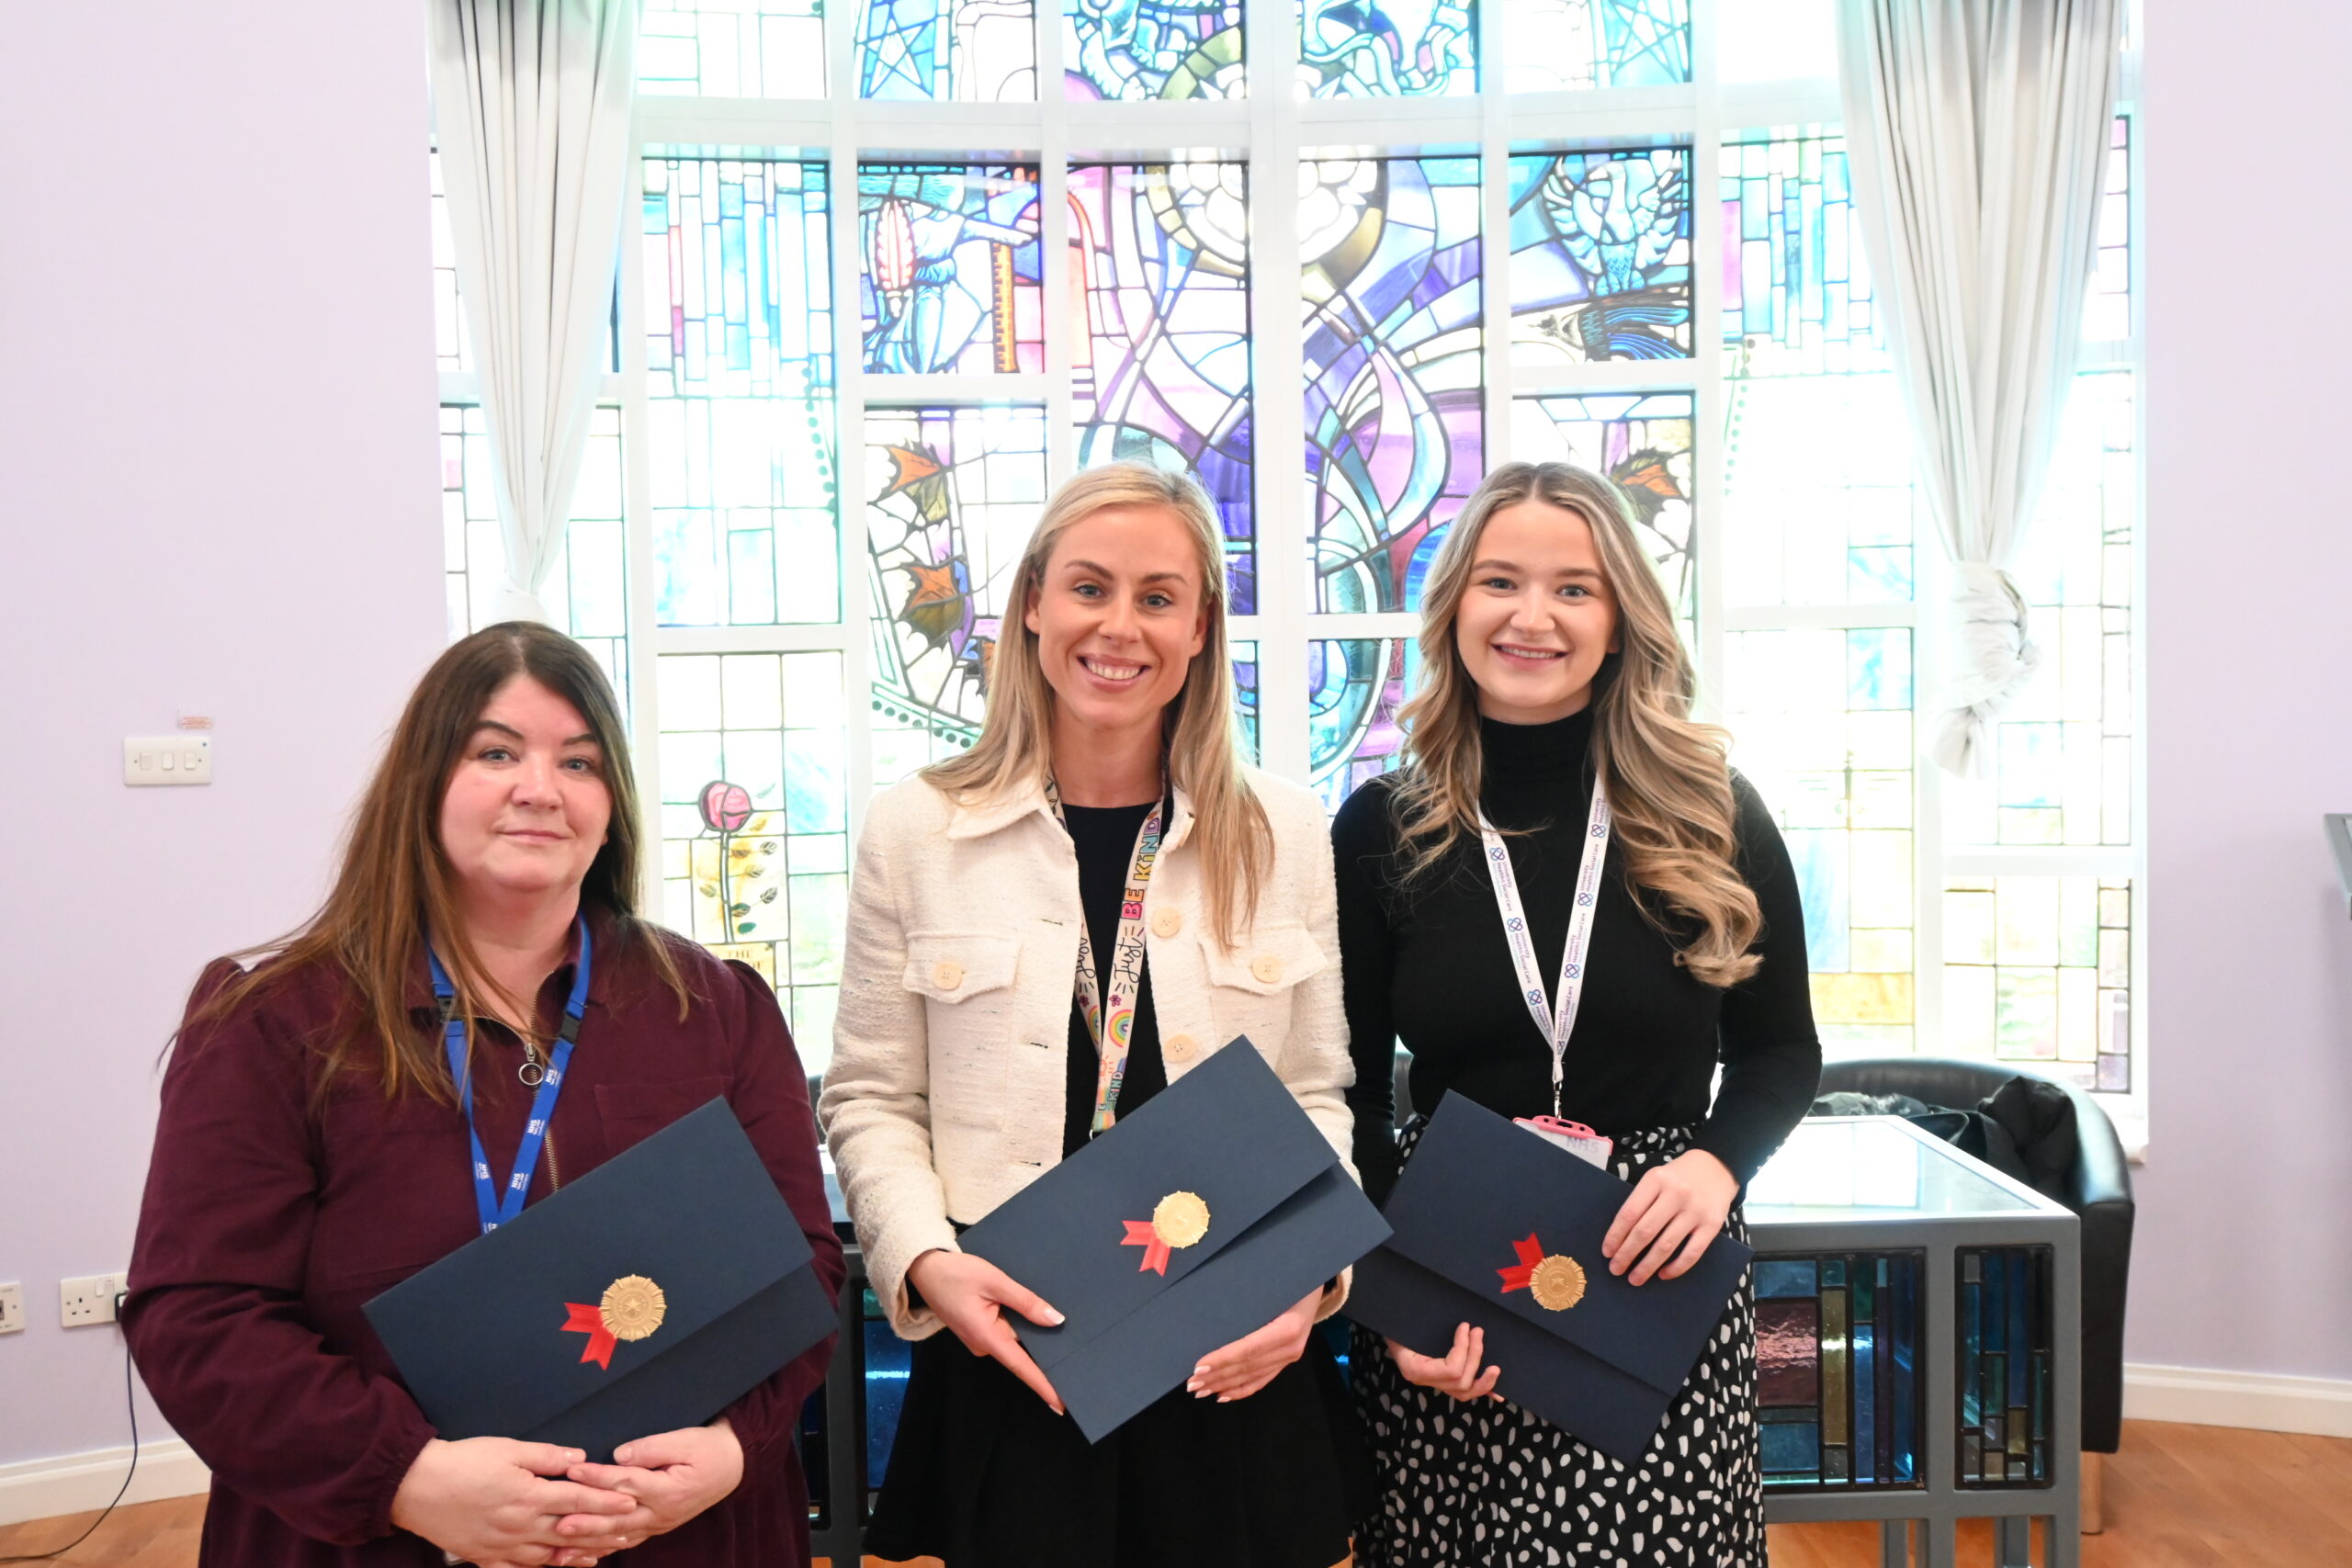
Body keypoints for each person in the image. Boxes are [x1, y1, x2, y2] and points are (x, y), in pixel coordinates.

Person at [123, 624, 844, 1568]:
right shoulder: (271, 1019)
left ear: (612, 802)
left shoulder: (713, 1006)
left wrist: (732, 1448)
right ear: (423, 782)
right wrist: (406, 1478)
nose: (539, 788)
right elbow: (200, 1315)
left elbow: (800, 1265)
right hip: (385, 1536)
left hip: (676, 1530)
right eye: (496, 751)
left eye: (578, 761)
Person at [821, 463, 1364, 1568]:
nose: (1120, 627)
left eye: (1158, 598)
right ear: (1032, 604)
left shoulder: (1286, 832)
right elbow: (873, 1098)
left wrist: (1306, 1285)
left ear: (1201, 627)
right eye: (1088, 588)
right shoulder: (918, 832)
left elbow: (1316, 1090)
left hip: (1232, 1354)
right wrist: (927, 1264)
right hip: (1007, 1352)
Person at [1332, 462, 1822, 1566]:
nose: (1531, 616)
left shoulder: (1711, 811)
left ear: (1619, 622)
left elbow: (1782, 1051)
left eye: (1574, 588)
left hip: (1655, 1247)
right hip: (1451, 1262)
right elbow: (1347, 1088)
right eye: (1500, 580)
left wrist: (1714, 1169)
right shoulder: (1381, 824)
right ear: (1455, 603)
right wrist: (1388, 1296)